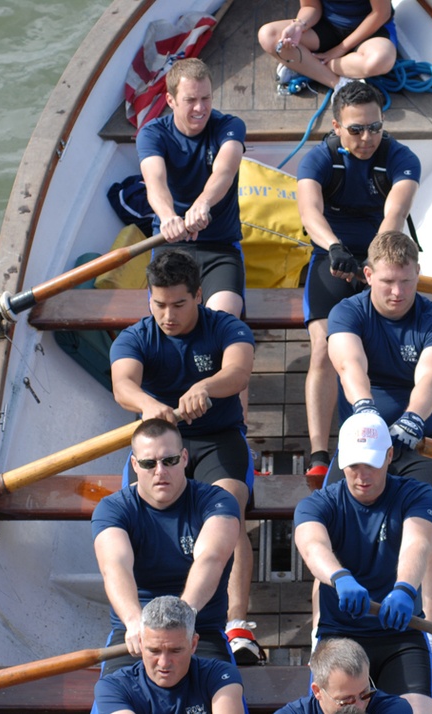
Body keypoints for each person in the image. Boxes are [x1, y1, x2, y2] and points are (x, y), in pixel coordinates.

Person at [108, 249, 262, 664]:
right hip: (159, 442)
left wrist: (206, 387)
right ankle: (144, 621)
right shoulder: (137, 337)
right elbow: (122, 384)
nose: (168, 315)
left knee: (228, 509)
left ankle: (235, 624)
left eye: (178, 304)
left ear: (198, 295)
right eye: (158, 305)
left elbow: (239, 371)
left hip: (216, 438)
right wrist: (147, 405)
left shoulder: (226, 327)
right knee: (140, 514)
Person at [325, 230, 432, 661]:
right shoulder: (348, 312)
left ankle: (430, 635)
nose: (398, 292)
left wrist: (412, 419)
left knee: (429, 532)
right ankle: (322, 637)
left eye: (406, 281)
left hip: (418, 445)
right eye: (386, 282)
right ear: (367, 275)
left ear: (418, 275)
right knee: (330, 536)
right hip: (363, 443)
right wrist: (364, 408)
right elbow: (349, 363)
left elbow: (431, 378)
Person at [294, 81, 421, 477]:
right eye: (355, 130)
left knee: (392, 344)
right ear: (335, 126)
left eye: (375, 127)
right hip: (331, 256)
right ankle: (319, 453)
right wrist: (334, 248)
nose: (367, 138)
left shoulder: (402, 158)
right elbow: (310, 213)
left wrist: (372, 263)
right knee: (322, 348)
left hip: (383, 257)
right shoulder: (318, 160)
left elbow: (393, 217)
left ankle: (400, 427)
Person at [294, 413, 432, 714]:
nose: (362, 476)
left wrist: (404, 589)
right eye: (354, 465)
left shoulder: (417, 494)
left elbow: (417, 543)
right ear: (342, 460)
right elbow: (311, 545)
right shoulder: (318, 504)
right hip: (339, 636)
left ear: (388, 456)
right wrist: (339, 577)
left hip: (401, 633)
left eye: (371, 464)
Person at [92, 419, 241, 675]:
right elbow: (114, 566)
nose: (160, 471)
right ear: (135, 465)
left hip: (198, 633)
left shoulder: (216, 501)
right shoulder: (113, 508)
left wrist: (183, 619)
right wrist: (134, 621)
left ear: (184, 458)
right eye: (149, 463)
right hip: (136, 635)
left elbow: (211, 558)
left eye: (169, 461)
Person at [137, 57, 246, 319]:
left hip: (221, 246)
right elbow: (155, 182)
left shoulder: (229, 126)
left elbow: (225, 170)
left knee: (222, 318)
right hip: (170, 245)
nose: (200, 108)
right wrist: (167, 217)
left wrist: (203, 203)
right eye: (190, 100)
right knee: (172, 320)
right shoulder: (152, 134)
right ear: (170, 100)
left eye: (206, 98)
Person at [93, 595, 246, 714]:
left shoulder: (220, 675)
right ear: (140, 643)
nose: (164, 663)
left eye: (175, 650)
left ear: (193, 644)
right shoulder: (113, 688)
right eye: (154, 651)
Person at [257, 0, 397, 92]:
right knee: (268, 35)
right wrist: (299, 24)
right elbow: (311, 7)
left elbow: (381, 13)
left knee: (380, 60)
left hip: (370, 29)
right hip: (327, 25)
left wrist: (340, 49)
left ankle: (308, 67)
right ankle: (340, 85)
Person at [274, 637, 411, 714]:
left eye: (365, 694)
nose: (359, 705)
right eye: (346, 701)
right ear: (317, 691)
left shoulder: (394, 709)